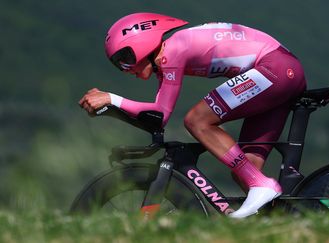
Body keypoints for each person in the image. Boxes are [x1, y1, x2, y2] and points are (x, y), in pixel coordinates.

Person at [79, 12, 307, 218]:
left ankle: (262, 185)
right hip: (281, 70)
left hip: (275, 68)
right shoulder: (168, 58)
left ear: (142, 43)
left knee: (197, 120)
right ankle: (288, 223)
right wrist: (110, 109)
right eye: (119, 65)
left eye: (125, 59)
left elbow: (160, 113)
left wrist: (112, 98)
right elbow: (158, 118)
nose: (126, 69)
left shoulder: (173, 50)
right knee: (245, 171)